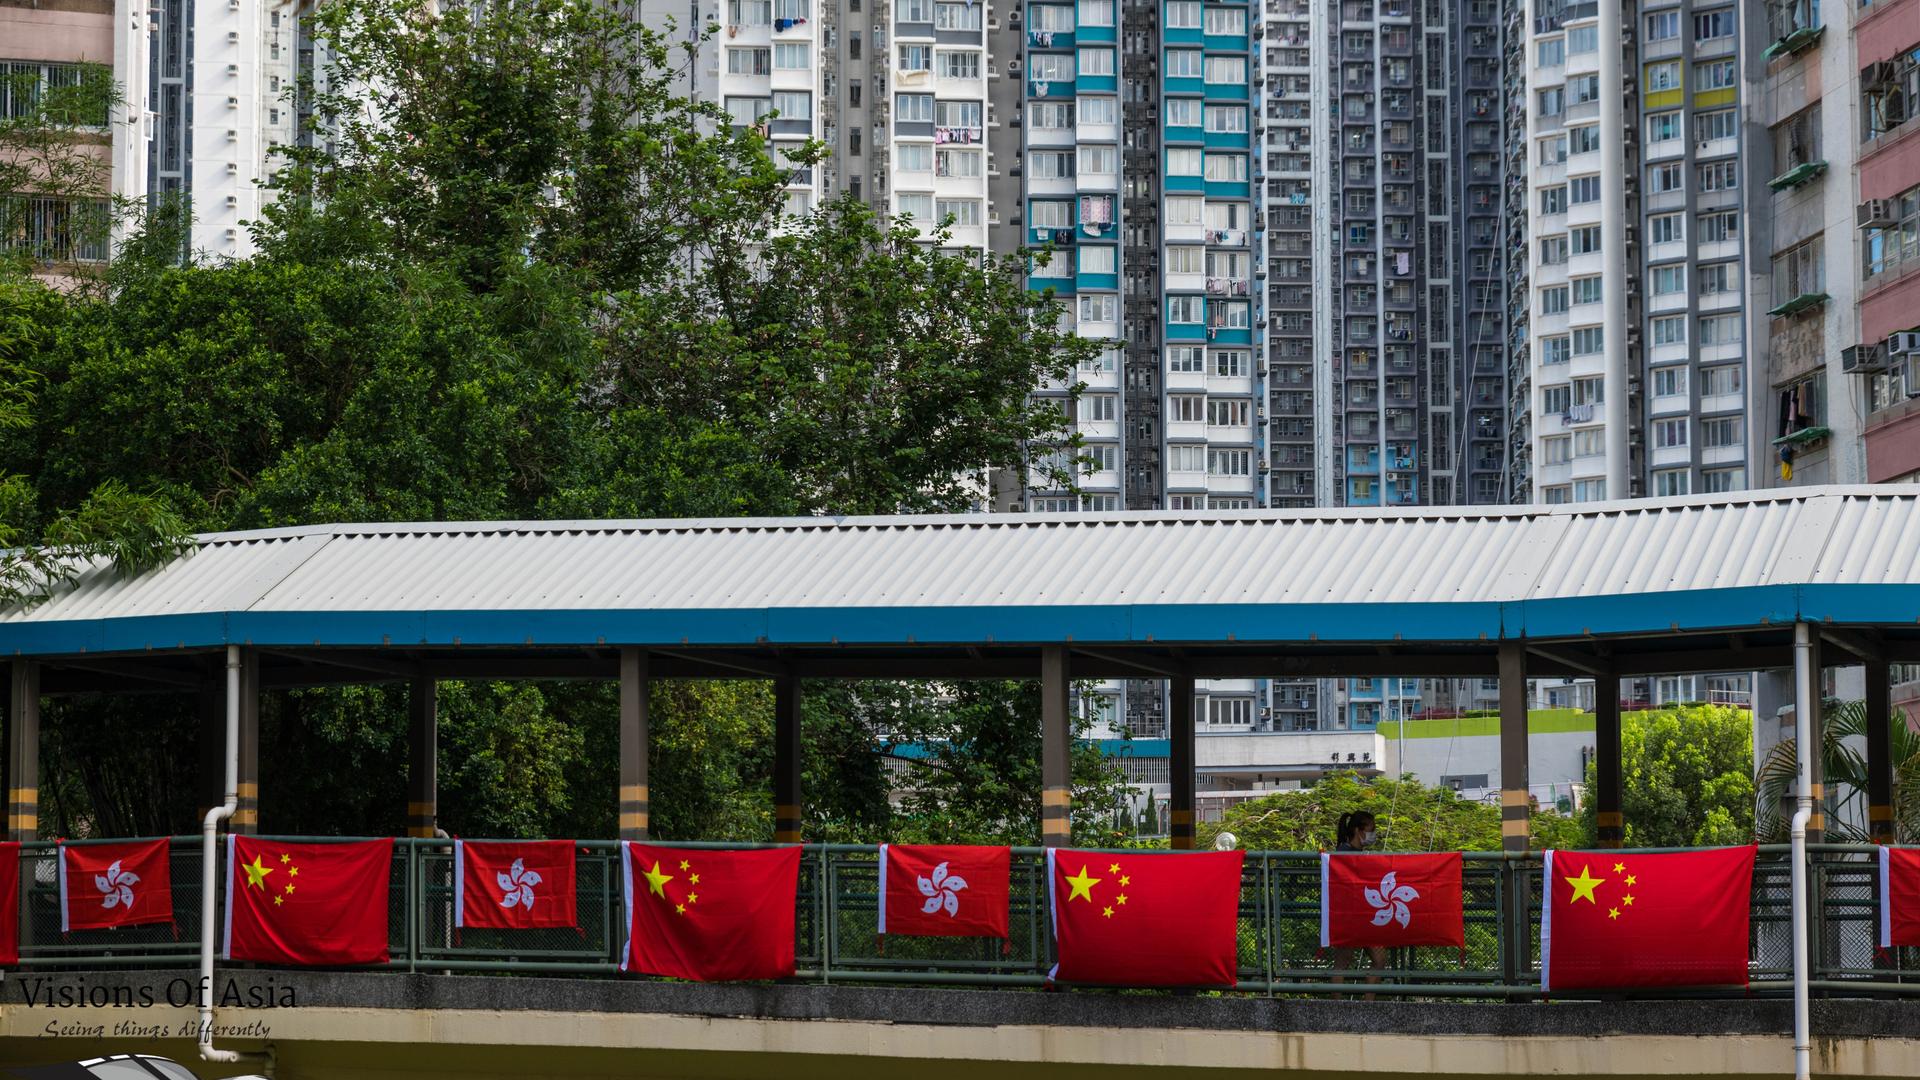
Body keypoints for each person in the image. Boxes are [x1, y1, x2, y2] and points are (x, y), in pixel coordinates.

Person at [1330, 811, 1387, 999]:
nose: (1373, 834)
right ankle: (1337, 1007)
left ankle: (1367, 1004)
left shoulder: (1357, 854)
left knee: (1379, 959)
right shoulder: (1343, 853)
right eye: (1371, 829)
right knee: (1343, 960)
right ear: (1358, 830)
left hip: (1365, 916)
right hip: (1349, 917)